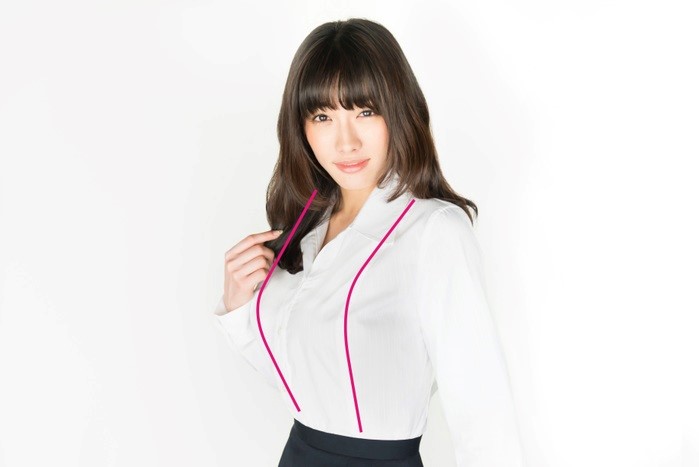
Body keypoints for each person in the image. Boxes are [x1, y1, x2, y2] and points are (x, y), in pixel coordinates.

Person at [213, 18, 525, 467]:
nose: (346, 142)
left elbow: (484, 417)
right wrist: (239, 306)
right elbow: (306, 382)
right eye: (323, 117)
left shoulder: (435, 230)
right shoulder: (305, 224)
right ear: (301, 127)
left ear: (398, 111)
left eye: (364, 112)